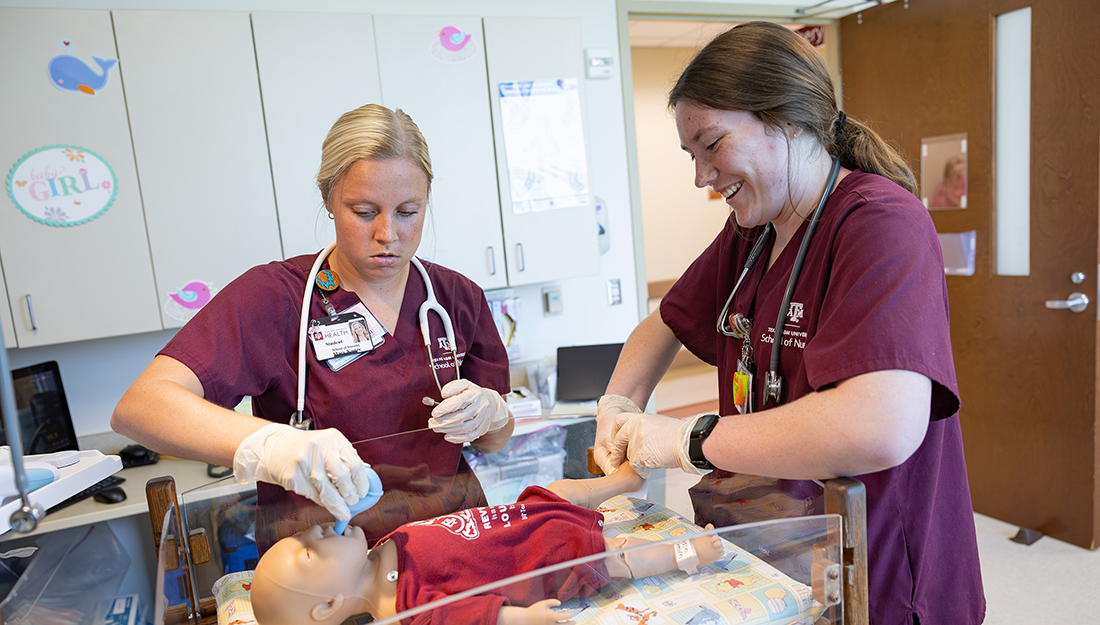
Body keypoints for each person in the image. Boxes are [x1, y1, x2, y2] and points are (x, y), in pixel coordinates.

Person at [592, 22, 984, 625]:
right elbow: (662, 325)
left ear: (787, 120)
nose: (700, 176)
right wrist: (616, 407)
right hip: (773, 553)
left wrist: (687, 439)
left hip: (872, 566)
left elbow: (880, 426)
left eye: (712, 144)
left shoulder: (881, 225)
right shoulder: (752, 236)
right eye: (690, 155)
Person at [112, 104, 514, 550]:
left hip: (454, 542)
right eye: (363, 211)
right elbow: (140, 408)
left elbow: (495, 442)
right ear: (328, 199)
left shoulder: (456, 297)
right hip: (326, 563)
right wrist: (269, 445)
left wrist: (492, 413)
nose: (387, 233)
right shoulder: (276, 297)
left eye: (408, 211)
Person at [250, 463, 722, 625]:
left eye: (305, 533)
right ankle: (687, 555)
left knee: (557, 492)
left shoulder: (376, 550)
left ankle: (620, 481)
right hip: (543, 558)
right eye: (309, 550)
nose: (318, 529)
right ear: (329, 602)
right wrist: (525, 618)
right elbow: (477, 617)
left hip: (518, 520)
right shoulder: (407, 608)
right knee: (617, 558)